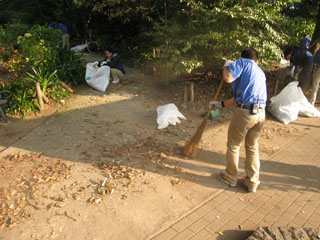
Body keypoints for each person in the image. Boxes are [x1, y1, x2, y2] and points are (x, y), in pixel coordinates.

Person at [210, 48, 267, 193]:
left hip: (245, 114)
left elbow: (228, 78)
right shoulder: (260, 73)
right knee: (252, 147)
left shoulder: (242, 63)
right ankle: (252, 181)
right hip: (260, 114)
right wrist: (220, 104)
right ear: (257, 60)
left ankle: (230, 177)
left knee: (234, 145)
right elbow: (238, 99)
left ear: (242, 58)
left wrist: (226, 67)